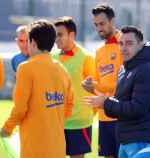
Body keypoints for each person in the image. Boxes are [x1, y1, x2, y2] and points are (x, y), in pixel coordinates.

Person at [83, 26, 150, 158]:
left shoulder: (147, 70)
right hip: (126, 139)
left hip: (140, 140)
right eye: (121, 43)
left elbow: (137, 108)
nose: (124, 48)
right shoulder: (124, 69)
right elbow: (121, 101)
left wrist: (106, 103)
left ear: (141, 45)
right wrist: (96, 93)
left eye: (129, 43)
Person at [0, 19, 73, 158]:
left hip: (34, 147)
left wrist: (7, 129)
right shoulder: (62, 69)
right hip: (58, 147)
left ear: (33, 42)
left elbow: (20, 108)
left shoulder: (26, 68)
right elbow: (69, 106)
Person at [52, 16, 96, 158]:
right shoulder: (52, 57)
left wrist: (88, 114)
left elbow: (95, 88)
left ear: (72, 35)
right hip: (56, 121)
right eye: (55, 35)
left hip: (79, 121)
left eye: (60, 34)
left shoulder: (86, 57)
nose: (56, 38)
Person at [82, 5, 122, 158]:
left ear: (112, 21)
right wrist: (90, 86)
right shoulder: (99, 51)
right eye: (96, 25)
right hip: (104, 115)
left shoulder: (125, 44)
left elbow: (126, 83)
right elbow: (98, 83)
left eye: (102, 23)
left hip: (121, 114)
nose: (99, 28)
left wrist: (98, 86)